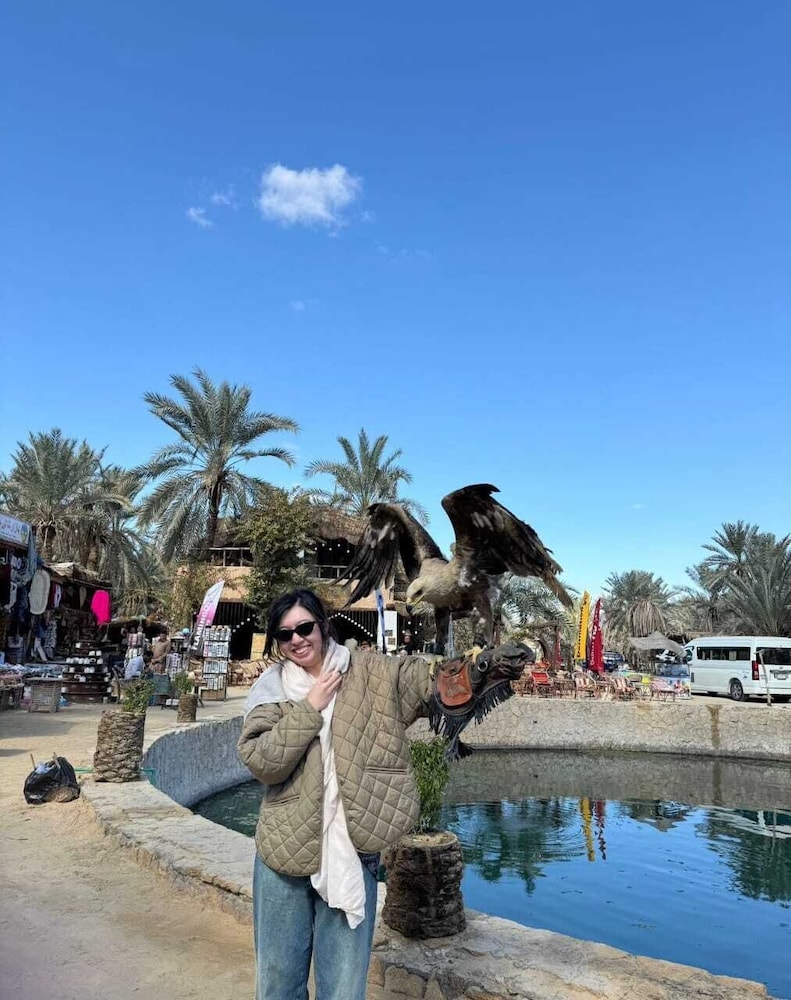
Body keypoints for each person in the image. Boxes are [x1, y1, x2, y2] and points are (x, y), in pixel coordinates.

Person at [237, 588, 435, 1000]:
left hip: (352, 846)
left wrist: (458, 670)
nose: (297, 640)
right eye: (285, 634)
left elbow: (417, 679)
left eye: (304, 627)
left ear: (323, 624)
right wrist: (310, 708)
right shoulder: (271, 689)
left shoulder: (367, 672)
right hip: (284, 850)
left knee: (344, 989)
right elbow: (263, 762)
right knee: (277, 985)